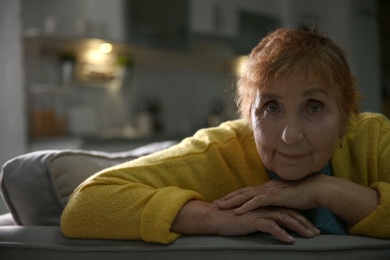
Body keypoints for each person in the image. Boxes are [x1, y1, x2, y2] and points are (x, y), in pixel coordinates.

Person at [61, 28, 390, 244]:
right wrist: (212, 217)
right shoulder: (219, 151)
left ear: (346, 118)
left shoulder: (372, 137)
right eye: (272, 107)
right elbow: (85, 203)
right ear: (248, 116)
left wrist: (325, 190)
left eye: (314, 107)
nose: (290, 136)